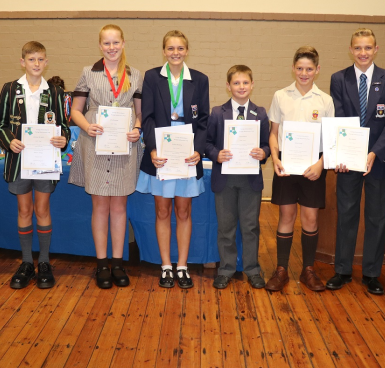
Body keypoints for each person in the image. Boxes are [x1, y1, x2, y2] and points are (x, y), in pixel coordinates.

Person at [326, 28, 385, 295]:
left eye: (368, 48)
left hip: (379, 160)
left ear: (376, 49)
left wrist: (373, 152)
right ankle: (342, 270)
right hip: (348, 161)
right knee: (346, 215)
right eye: (358, 48)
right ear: (350, 50)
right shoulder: (339, 79)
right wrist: (343, 153)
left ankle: (371, 273)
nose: (363, 53)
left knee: (377, 217)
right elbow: (338, 117)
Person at [69, 24, 143, 289]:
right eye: (106, 43)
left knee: (119, 207)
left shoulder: (135, 75)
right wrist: (86, 126)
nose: (112, 48)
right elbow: (75, 111)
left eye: (116, 42)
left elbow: (140, 112)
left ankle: (118, 263)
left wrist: (137, 129)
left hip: (124, 145)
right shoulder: (88, 73)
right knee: (100, 206)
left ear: (123, 43)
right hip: (96, 142)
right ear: (100, 46)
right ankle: (102, 264)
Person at [0, 41, 70, 290]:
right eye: (31, 59)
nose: (36, 64)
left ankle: (44, 262)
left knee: (42, 209)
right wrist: (9, 141)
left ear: (46, 62)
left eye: (40, 59)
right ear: (22, 62)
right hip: (19, 161)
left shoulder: (55, 91)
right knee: (24, 210)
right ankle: (27, 262)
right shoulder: (9, 89)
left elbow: (64, 125)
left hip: (45, 160)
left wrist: (63, 138)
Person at [137, 30, 210, 289]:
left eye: (180, 48)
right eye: (170, 48)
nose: (175, 53)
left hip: (187, 155)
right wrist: (153, 149)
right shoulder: (152, 77)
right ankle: (166, 266)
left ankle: (182, 266)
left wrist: (198, 150)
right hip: (162, 154)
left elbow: (203, 120)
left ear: (187, 51)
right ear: (163, 51)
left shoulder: (200, 79)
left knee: (183, 211)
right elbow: (147, 117)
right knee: (162, 210)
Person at [265, 46, 334, 292]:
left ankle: (308, 270)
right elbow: (274, 133)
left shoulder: (325, 100)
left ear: (317, 70)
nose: (304, 73)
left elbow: (331, 139)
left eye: (309, 69)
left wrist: (321, 164)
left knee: (310, 217)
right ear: (293, 68)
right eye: (300, 68)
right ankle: (281, 269)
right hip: (286, 164)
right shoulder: (280, 95)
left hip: (313, 166)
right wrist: (276, 158)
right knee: (286, 216)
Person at [205, 65, 270, 290]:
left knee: (250, 227)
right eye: (236, 83)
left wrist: (264, 153)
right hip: (225, 179)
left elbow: (266, 144)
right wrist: (216, 154)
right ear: (228, 86)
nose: (241, 87)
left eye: (245, 82)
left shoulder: (260, 113)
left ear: (252, 85)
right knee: (226, 227)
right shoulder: (217, 112)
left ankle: (252, 269)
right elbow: (207, 143)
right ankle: (226, 269)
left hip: (250, 180)